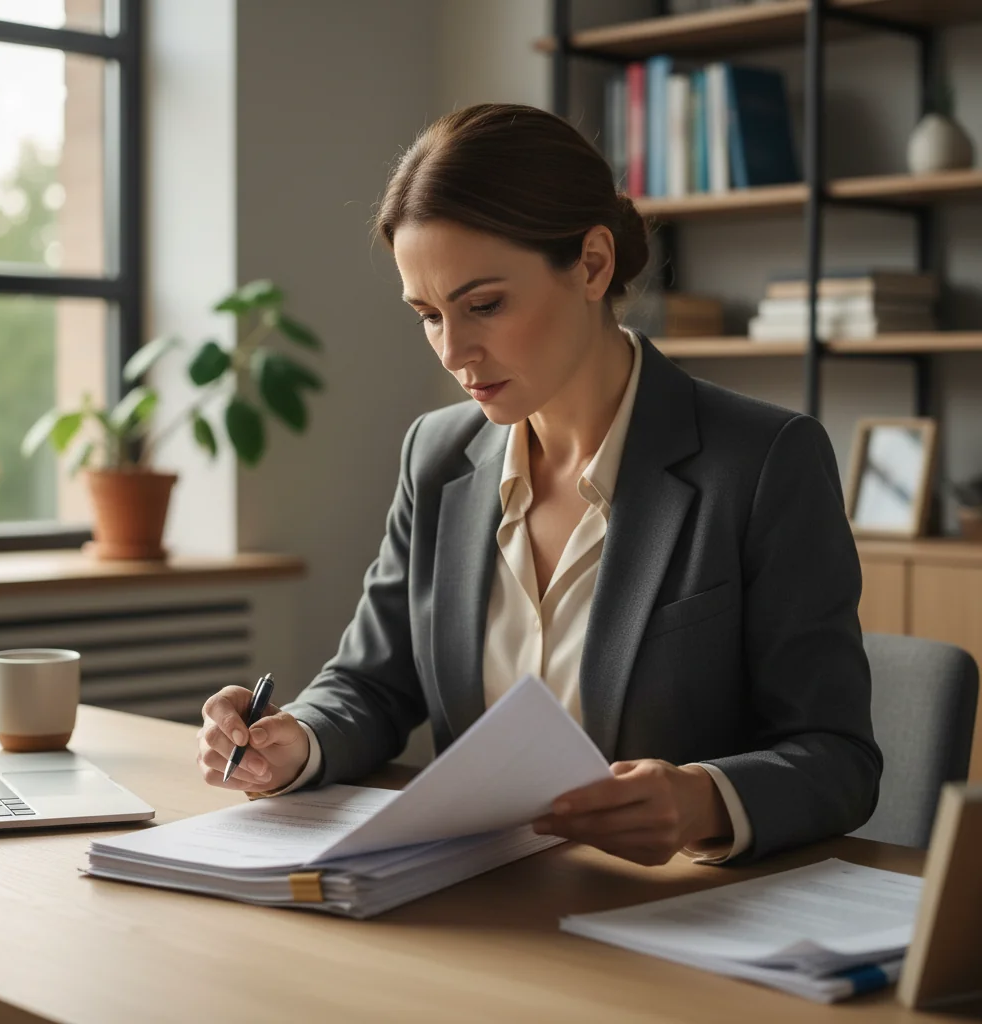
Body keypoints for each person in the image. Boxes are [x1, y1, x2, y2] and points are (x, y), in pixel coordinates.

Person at [196, 103, 881, 865]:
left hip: (677, 921)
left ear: (592, 264)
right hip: (481, 903)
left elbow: (838, 757)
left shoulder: (763, 462)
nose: (455, 351)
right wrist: (298, 739)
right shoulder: (437, 454)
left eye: (483, 305)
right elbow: (372, 683)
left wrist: (703, 800)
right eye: (428, 315)